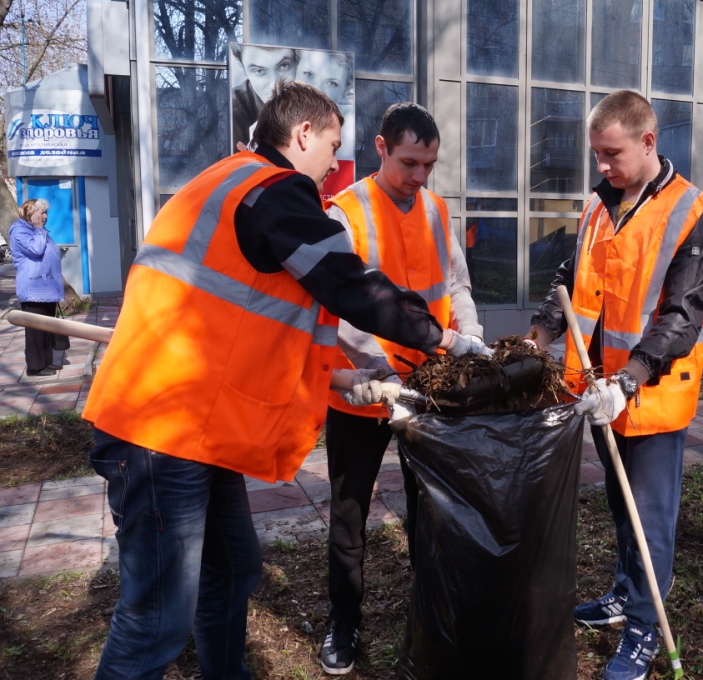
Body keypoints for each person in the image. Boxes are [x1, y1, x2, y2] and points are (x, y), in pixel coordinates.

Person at [82, 81, 488, 680]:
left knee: (235, 568)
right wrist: (447, 340)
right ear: (303, 135)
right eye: (331, 146)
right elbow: (350, 286)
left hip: (190, 425)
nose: (332, 165)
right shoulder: (276, 192)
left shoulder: (230, 180)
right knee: (156, 620)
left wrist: (348, 375)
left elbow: (266, 314)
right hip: (158, 432)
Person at [526, 90, 703, 680]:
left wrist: (631, 378)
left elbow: (682, 315)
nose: (602, 166)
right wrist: (540, 334)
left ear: (648, 142)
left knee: (650, 518)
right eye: (596, 154)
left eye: (611, 154)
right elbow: (572, 275)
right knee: (621, 504)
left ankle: (644, 629)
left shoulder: (693, 214)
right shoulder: (601, 204)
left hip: (650, 393)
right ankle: (624, 594)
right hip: (599, 390)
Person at [318, 101, 489, 676]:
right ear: (381, 147)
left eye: (429, 165)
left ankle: (431, 606)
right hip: (365, 388)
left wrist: (471, 337)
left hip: (433, 387)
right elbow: (342, 314)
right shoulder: (347, 214)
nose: (419, 177)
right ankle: (344, 620)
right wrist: (385, 379)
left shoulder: (438, 211)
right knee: (349, 509)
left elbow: (457, 285)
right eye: (410, 162)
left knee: (433, 507)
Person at [8, 198, 65, 377]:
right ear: (30, 213)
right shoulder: (19, 231)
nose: (45, 217)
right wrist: (40, 229)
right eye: (41, 212)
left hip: (46, 287)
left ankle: (46, 362)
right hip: (33, 289)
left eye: (45, 213)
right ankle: (35, 366)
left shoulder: (36, 230)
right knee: (35, 330)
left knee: (47, 327)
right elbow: (36, 250)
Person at [230, 43, 297, 147]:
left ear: (296, 61)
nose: (274, 84)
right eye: (259, 71)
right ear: (242, 67)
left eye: (284, 66)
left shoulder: (315, 103)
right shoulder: (231, 112)